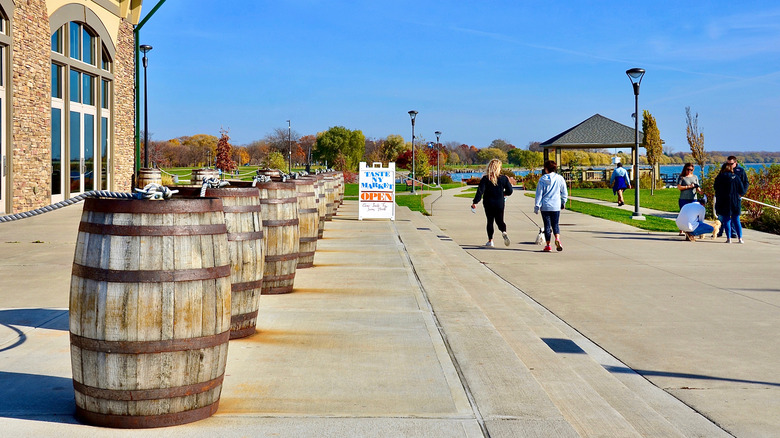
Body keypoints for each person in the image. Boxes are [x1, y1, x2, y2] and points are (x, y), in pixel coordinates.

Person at [472, 158, 513, 247]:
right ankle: (504, 231)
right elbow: (510, 191)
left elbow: (480, 191)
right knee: (500, 220)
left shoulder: (485, 179)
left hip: (488, 203)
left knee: (490, 221)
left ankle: (490, 241)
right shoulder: (504, 179)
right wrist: (503, 194)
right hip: (499, 203)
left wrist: (475, 202)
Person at [534, 160, 568, 252]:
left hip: (545, 206)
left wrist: (537, 205)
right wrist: (563, 202)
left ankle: (548, 245)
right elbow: (564, 192)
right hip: (556, 205)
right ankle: (557, 239)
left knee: (547, 225)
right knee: (555, 224)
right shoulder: (560, 178)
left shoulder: (542, 179)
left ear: (546, 169)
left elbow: (539, 194)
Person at [718, 156, 750, 238]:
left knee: (735, 216)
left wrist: (741, 193)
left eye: (731, 164)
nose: (729, 165)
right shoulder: (723, 171)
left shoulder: (740, 171)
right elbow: (718, 183)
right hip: (725, 197)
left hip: (735, 197)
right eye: (727, 163)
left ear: (735, 163)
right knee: (722, 215)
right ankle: (719, 231)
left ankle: (733, 232)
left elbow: (745, 183)